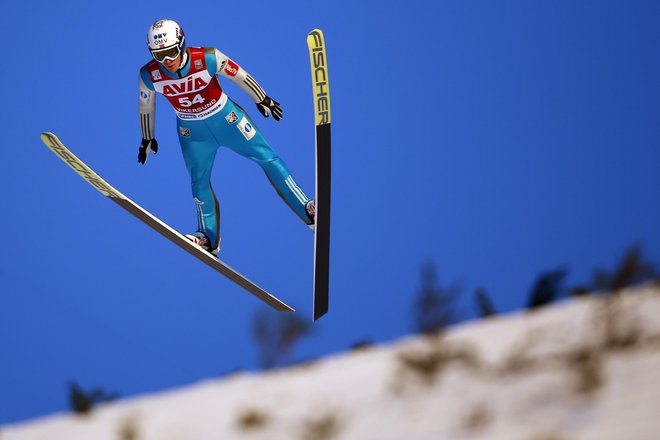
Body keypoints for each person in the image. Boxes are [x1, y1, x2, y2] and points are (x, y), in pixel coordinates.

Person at [138, 19, 315, 255]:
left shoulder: (207, 57)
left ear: (181, 44)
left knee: (268, 158)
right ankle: (206, 238)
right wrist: (147, 137)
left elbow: (239, 75)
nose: (167, 61)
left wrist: (262, 98)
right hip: (192, 134)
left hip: (227, 120)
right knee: (198, 182)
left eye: (170, 52)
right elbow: (145, 105)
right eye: (159, 55)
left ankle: (308, 209)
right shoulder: (149, 75)